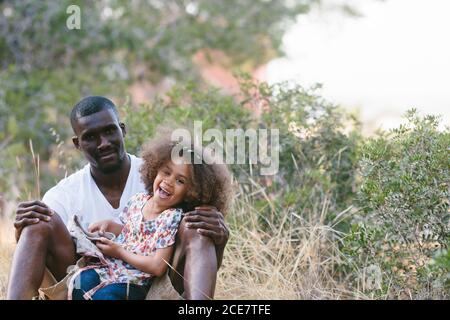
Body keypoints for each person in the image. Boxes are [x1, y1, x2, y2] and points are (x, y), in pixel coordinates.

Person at [7, 96, 230, 300]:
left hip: (154, 288)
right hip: (87, 288)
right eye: (91, 137)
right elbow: (41, 255)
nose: (103, 143)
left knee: (197, 227)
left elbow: (193, 250)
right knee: (37, 221)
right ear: (77, 144)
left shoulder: (162, 177)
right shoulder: (63, 194)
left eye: (109, 131)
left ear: (122, 130)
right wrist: (23, 230)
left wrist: (219, 240)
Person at [70, 135, 231, 300]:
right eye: (166, 172)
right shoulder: (139, 200)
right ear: (155, 169)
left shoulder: (171, 218)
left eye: (180, 181)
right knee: (81, 281)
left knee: (106, 296)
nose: (168, 182)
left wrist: (119, 251)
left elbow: (158, 266)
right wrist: (110, 226)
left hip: (135, 282)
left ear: (192, 192)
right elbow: (132, 232)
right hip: (113, 270)